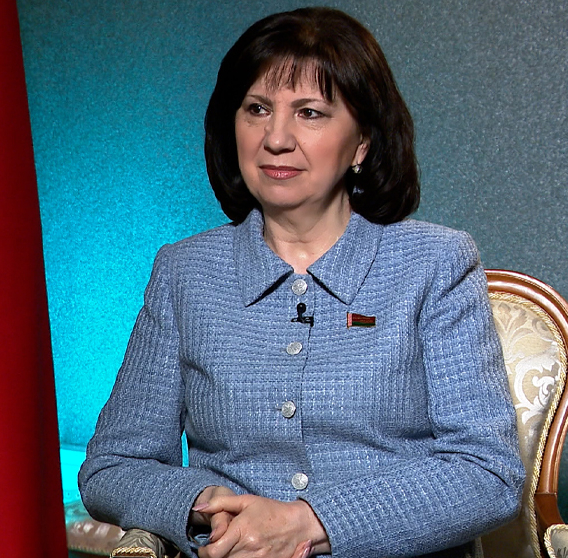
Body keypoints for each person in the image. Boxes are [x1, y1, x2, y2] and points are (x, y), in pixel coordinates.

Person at [78, 7, 524, 558]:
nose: (276, 138)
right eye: (257, 109)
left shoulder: (435, 262)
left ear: (362, 143)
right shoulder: (184, 271)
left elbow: (487, 474)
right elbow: (112, 467)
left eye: (310, 113)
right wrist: (204, 503)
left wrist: (311, 522)